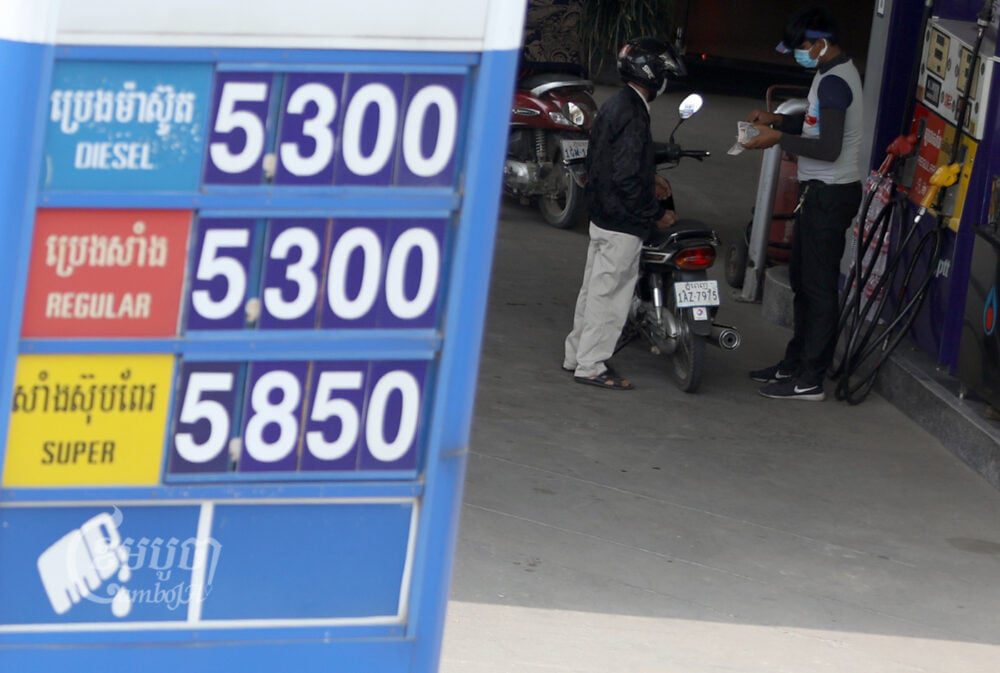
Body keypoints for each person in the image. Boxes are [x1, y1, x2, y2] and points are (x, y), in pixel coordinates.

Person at [741, 6, 863, 401]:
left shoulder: (835, 84)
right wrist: (777, 121)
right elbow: (815, 127)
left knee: (818, 286)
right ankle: (796, 362)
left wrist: (776, 139)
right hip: (818, 193)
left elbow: (828, 148)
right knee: (801, 282)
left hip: (831, 194)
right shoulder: (827, 73)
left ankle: (811, 377)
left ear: (822, 43)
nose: (798, 53)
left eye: (802, 47)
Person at [563, 37, 682, 390]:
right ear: (654, 76)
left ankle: (577, 355)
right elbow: (627, 176)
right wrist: (655, 212)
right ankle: (592, 365)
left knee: (593, 290)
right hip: (622, 221)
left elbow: (608, 160)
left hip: (602, 215)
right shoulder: (634, 113)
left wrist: (652, 176)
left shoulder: (616, 104)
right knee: (611, 295)